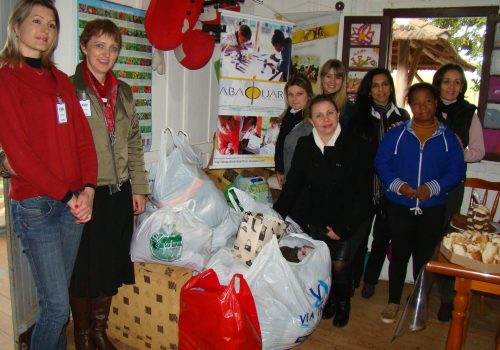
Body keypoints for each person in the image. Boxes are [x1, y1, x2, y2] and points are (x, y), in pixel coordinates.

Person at [0, 1, 98, 349]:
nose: (45, 29)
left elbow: (83, 140)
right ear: (18, 27)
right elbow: (20, 155)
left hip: (72, 204)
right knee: (58, 309)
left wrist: (88, 189)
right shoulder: (6, 77)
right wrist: (70, 196)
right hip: (37, 205)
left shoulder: (60, 80)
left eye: (52, 24)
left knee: (55, 308)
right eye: (37, 21)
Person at [69, 19, 149, 350]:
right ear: (85, 46)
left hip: (119, 195)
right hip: (86, 195)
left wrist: (139, 187)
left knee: (111, 268)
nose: (107, 54)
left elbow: (133, 142)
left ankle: (100, 330)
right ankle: (83, 334)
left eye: (113, 47)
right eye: (99, 45)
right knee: (84, 271)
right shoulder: (69, 90)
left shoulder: (125, 92)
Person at [274, 95, 372, 328]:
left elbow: (363, 193)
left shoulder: (356, 145)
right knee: (321, 263)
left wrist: (344, 227)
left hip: (347, 217)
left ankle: (343, 301)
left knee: (339, 266)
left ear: (338, 114)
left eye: (330, 113)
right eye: (319, 115)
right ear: (311, 120)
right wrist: (275, 215)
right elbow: (294, 184)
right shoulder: (305, 145)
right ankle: (327, 300)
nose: (325, 119)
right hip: (316, 216)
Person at [374, 83, 465, 325]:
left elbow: (456, 171)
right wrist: (399, 186)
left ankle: (417, 303)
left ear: (436, 103)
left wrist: (431, 188)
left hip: (433, 207)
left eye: (428, 101)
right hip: (399, 205)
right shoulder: (396, 134)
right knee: (399, 254)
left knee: (425, 258)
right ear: (410, 105)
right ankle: (394, 301)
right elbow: (381, 163)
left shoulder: (448, 138)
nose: (422, 107)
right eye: (416, 102)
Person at [349, 68, 410, 299]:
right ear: (369, 90)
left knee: (382, 237)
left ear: (391, 88)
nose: (381, 90)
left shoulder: (403, 117)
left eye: (385, 84)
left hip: (391, 190)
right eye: (375, 85)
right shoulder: (358, 116)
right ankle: (353, 279)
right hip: (364, 188)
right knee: (359, 236)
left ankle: (371, 280)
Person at [432, 63, 485, 321]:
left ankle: (446, 297)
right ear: (438, 83)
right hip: (425, 184)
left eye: (457, 82)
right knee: (425, 237)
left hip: (452, 185)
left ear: (462, 87)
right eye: (446, 81)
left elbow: (478, 152)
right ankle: (422, 287)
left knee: (445, 239)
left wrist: (456, 153)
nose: (452, 87)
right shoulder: (426, 107)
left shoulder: (469, 113)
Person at [274, 74, 314, 186]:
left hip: (303, 180)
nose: (294, 99)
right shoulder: (288, 116)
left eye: (299, 94)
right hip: (287, 173)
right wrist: (279, 169)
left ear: (309, 96)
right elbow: (281, 145)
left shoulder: (312, 120)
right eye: (290, 94)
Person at [318, 59, 354, 128]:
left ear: (343, 81)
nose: (332, 81)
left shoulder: (350, 109)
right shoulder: (312, 104)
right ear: (321, 78)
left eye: (337, 77)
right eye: (328, 76)